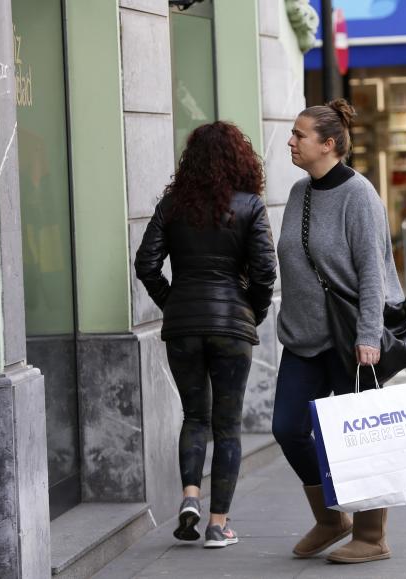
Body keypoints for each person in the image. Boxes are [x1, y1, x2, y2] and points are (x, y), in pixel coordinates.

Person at [272, 99, 404, 564]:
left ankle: (372, 536)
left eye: (299, 134)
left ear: (328, 144)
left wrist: (369, 335)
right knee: (287, 428)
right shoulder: (298, 193)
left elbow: (373, 271)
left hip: (351, 338)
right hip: (303, 336)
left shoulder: (359, 194)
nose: (291, 141)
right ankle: (331, 519)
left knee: (359, 437)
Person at [134, 121, 277, 548]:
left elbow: (146, 265)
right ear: (241, 159)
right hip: (232, 324)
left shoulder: (173, 205)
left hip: (184, 326)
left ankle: (190, 497)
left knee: (195, 417)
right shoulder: (250, 205)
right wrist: (252, 311)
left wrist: (173, 304)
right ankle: (218, 525)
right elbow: (266, 273)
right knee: (228, 426)